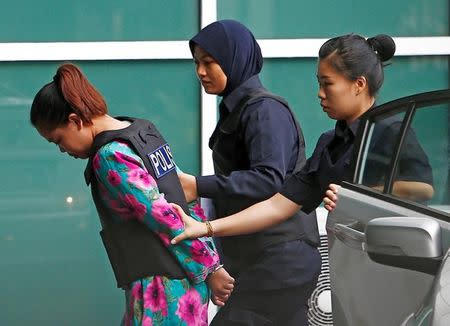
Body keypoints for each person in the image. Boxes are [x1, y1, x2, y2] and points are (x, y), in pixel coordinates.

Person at [172, 33, 436, 240]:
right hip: (346, 259)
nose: (320, 93)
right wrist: (205, 228)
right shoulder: (329, 143)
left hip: (389, 257)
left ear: (359, 84)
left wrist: (358, 197)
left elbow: (423, 188)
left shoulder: (390, 131)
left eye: (328, 83)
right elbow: (278, 206)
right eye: (319, 83)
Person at [30, 63, 235, 326]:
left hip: (161, 290)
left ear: (74, 121)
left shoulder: (109, 156)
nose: (61, 150)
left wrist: (212, 269)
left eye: (58, 140)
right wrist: (209, 264)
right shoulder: (142, 131)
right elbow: (185, 198)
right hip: (186, 285)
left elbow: (164, 216)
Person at [178, 19, 321, 326]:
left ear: (234, 59)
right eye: (196, 63)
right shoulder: (240, 107)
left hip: (281, 259)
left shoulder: (263, 111)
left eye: (209, 62)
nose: (200, 72)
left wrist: (197, 186)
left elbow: (268, 180)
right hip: (266, 259)